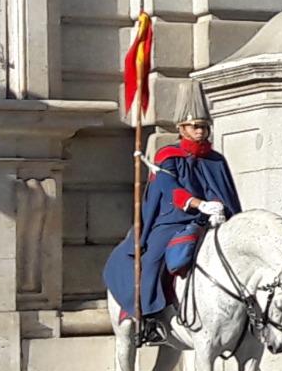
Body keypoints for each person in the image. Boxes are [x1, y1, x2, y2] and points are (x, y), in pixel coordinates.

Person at [102, 82, 241, 345]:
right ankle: (149, 318)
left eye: (203, 127)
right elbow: (170, 189)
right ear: (181, 128)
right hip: (174, 219)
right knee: (154, 258)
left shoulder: (216, 160)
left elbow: (223, 190)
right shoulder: (167, 156)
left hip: (211, 220)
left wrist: (220, 210)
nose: (200, 132)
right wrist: (198, 204)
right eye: (194, 127)